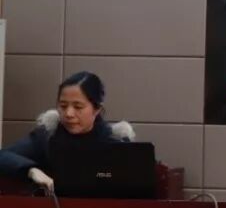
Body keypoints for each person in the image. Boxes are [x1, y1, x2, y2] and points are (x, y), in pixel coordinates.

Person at [0, 72, 135, 193]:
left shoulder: (115, 142)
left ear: (97, 109)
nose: (69, 114)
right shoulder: (47, 136)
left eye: (78, 107)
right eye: (63, 106)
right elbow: (3, 156)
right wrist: (31, 170)